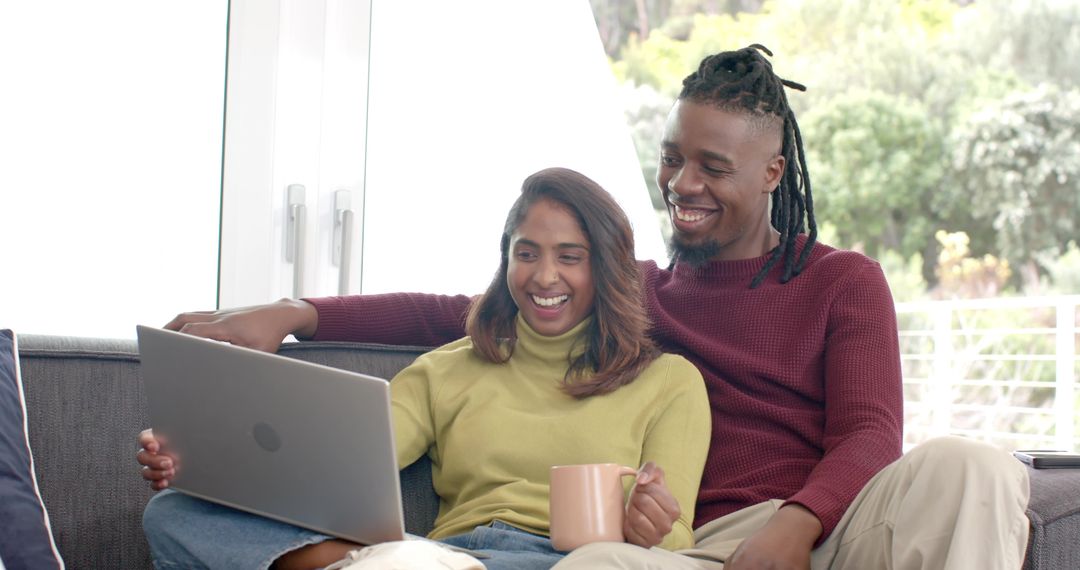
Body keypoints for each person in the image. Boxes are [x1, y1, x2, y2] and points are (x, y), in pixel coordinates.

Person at [162, 45, 1031, 569]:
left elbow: (873, 435)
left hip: (821, 534)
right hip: (688, 553)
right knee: (596, 562)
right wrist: (293, 312)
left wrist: (798, 527)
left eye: (712, 168)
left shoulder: (843, 281)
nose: (683, 185)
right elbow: (454, 314)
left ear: (772, 173)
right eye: (672, 158)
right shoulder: (642, 295)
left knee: (978, 467)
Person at [137, 167, 711, 570]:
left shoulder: (669, 382)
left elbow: (676, 538)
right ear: (505, 257)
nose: (543, 277)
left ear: (605, 269)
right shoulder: (448, 369)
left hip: (575, 563)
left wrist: (647, 525)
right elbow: (338, 465)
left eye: (570, 257)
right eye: (526, 252)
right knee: (178, 514)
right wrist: (204, 461)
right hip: (448, 557)